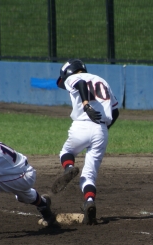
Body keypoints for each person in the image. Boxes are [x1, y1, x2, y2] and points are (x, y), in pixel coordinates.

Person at [51, 59, 120, 225]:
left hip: (82, 125)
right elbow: (115, 112)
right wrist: (103, 130)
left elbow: (81, 83)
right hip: (101, 130)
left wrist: (86, 105)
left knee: (66, 151)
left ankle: (69, 168)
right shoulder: (102, 81)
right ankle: (89, 202)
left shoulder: (73, 77)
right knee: (89, 175)